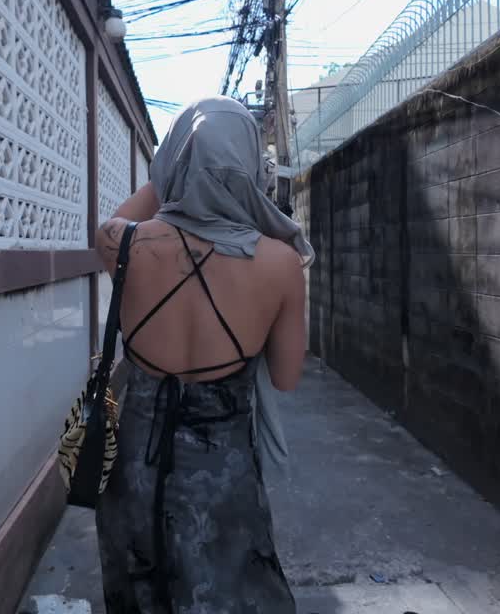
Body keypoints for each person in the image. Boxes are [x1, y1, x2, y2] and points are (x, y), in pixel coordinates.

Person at [94, 96, 313, 613]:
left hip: (132, 471)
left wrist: (174, 170)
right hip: (223, 476)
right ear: (247, 164)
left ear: (172, 159)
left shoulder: (119, 243)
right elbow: (284, 378)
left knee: (139, 597)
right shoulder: (280, 263)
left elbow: (137, 205)